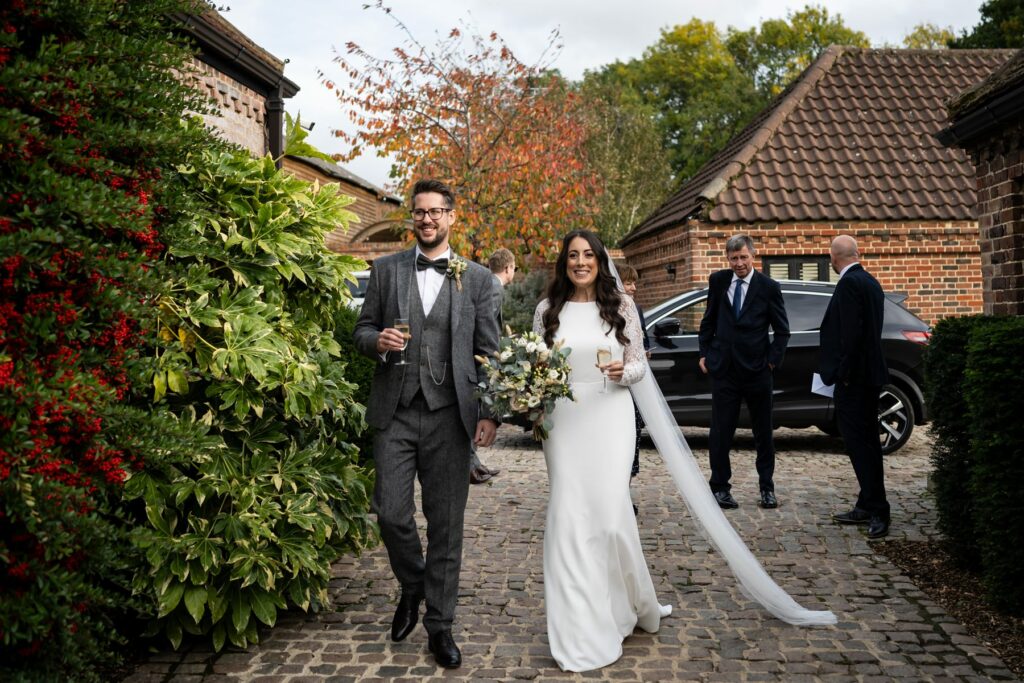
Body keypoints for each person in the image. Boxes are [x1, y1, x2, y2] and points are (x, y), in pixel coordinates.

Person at [353, 179, 501, 669]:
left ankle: (440, 626)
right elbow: (362, 329)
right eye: (419, 212)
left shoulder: (479, 280)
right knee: (391, 512)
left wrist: (489, 412)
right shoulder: (386, 269)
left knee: (446, 526)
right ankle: (414, 584)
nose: (427, 219)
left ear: (452, 217)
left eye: (436, 212)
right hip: (394, 410)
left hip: (450, 417)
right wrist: (377, 342)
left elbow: (490, 353)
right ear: (411, 218)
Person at [532, 230, 672, 672]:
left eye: (587, 255)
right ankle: (578, 625)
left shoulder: (621, 305)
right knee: (568, 514)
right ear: (564, 262)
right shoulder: (546, 310)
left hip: (610, 415)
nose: (580, 262)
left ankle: (628, 602)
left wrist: (622, 370)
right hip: (564, 423)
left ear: (599, 260)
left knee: (611, 517)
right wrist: (529, 400)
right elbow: (536, 366)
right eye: (572, 255)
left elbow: (638, 362)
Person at [698, 234, 790, 510]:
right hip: (724, 370)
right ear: (728, 258)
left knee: (763, 433)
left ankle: (767, 488)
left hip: (757, 371)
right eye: (734, 258)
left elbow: (782, 331)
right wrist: (704, 353)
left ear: (753, 256)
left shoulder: (768, 287)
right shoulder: (718, 281)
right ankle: (720, 488)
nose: (739, 263)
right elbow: (709, 319)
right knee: (721, 432)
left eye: (743, 257)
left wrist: (771, 361)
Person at [818, 235, 891, 539]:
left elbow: (851, 335)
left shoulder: (849, 284)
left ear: (834, 258)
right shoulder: (871, 282)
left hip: (856, 379)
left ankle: (878, 509)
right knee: (867, 442)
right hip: (869, 376)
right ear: (857, 254)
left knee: (861, 445)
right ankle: (866, 502)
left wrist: (841, 374)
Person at [467, 248, 516, 484]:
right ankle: (471, 466)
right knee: (476, 408)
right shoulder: (494, 287)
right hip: (482, 357)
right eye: (514, 269)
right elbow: (485, 325)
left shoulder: (488, 283)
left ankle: (474, 465)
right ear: (508, 268)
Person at [618, 263, 648, 514]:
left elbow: (641, 342)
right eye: (629, 283)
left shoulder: (635, 309)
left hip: (633, 385)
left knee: (631, 440)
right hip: (613, 384)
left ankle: (624, 491)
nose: (633, 288)